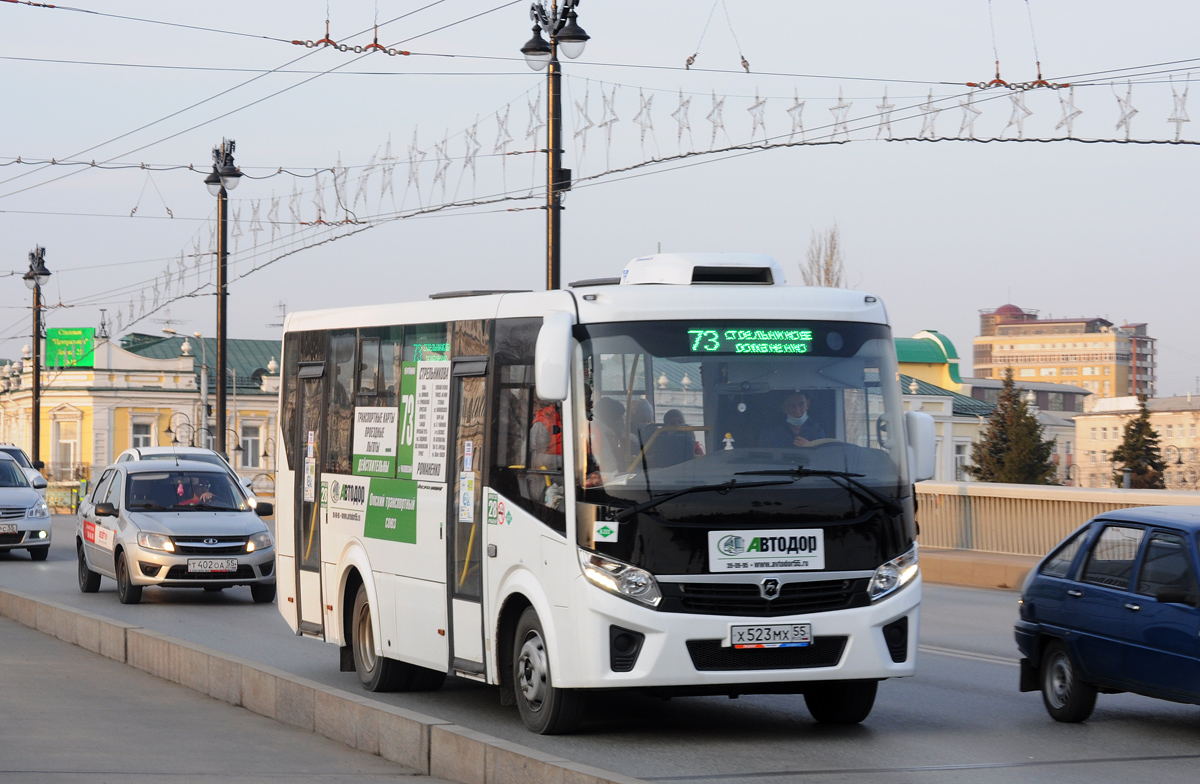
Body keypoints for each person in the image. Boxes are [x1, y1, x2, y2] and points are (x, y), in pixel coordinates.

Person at [757, 392, 827, 448]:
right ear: (783, 408)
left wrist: (809, 447)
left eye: (801, 404)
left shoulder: (817, 429)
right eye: (791, 405)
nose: (797, 410)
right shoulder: (769, 432)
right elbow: (762, 458)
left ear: (807, 404)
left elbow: (822, 458)